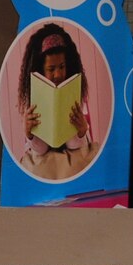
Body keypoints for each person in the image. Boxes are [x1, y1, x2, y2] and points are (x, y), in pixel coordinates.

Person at [16, 22, 98, 181]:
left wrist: (82, 131)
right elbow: (40, 150)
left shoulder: (74, 90)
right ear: (40, 70)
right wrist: (29, 134)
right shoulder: (33, 99)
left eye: (62, 66)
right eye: (51, 69)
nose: (58, 74)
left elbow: (75, 145)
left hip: (72, 159)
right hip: (46, 163)